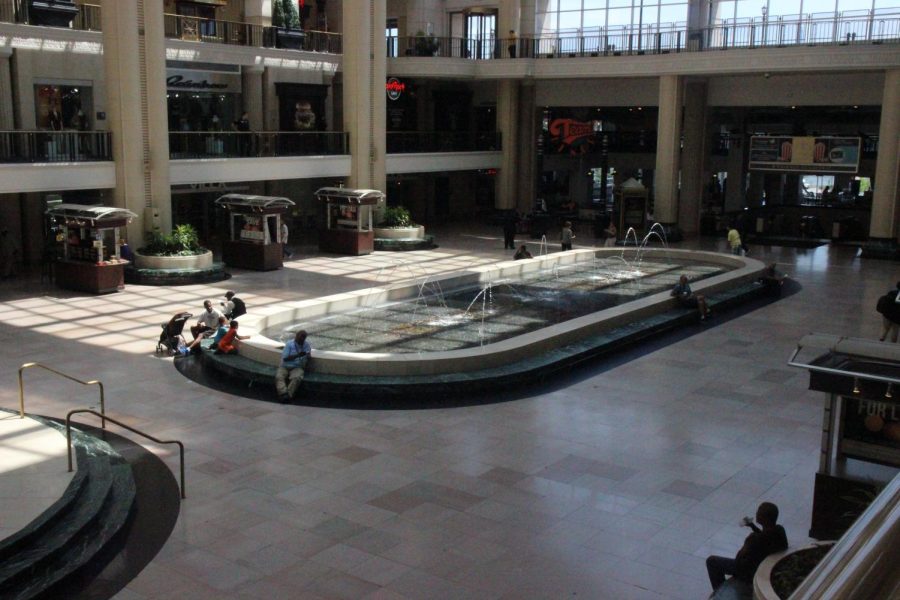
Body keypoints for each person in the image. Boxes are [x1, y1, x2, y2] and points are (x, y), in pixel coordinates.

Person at [706, 502, 788, 594]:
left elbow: (738, 561)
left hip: (750, 573)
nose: (756, 513)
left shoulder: (753, 539)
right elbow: (766, 536)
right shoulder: (779, 531)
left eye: (758, 512)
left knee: (712, 561)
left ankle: (720, 594)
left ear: (763, 518)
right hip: (766, 567)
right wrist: (753, 527)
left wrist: (746, 544)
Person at [276, 330, 311, 402]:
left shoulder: (306, 345)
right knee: (279, 377)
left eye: (303, 339)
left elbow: (309, 356)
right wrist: (298, 355)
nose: (301, 340)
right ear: (296, 337)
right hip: (285, 366)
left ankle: (287, 395)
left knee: (297, 378)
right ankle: (283, 393)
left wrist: (308, 356)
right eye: (300, 338)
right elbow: (285, 358)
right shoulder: (289, 344)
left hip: (297, 367)